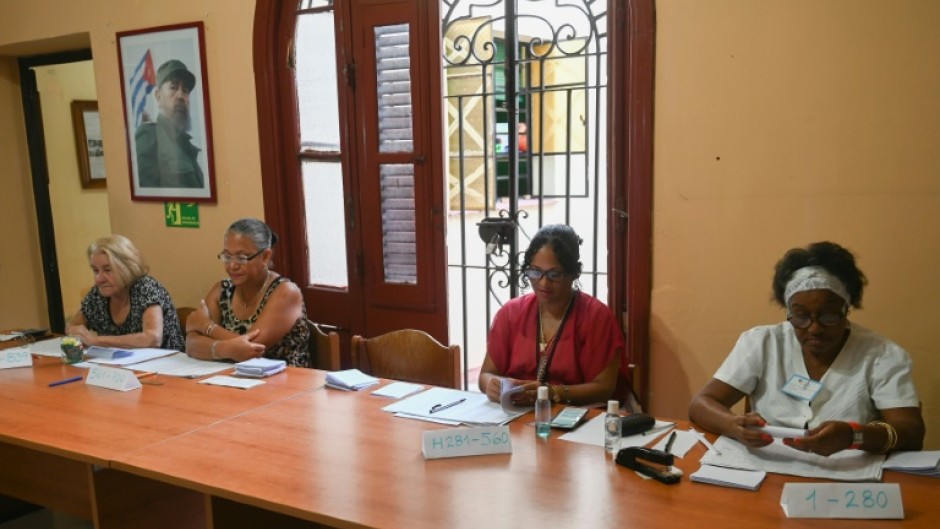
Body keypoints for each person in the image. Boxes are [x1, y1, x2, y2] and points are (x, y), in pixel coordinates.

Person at [689, 241, 925, 456]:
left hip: (848, 478)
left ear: (847, 308)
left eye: (828, 315)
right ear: (788, 311)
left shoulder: (882, 355)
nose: (814, 329)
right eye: (801, 316)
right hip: (766, 470)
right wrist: (733, 425)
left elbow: (911, 432)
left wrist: (854, 436)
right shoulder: (762, 342)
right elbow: (702, 404)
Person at [478, 224, 624, 406]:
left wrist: (551, 392)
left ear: (573, 273)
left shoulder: (596, 316)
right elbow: (485, 374)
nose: (543, 283)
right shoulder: (511, 312)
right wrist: (492, 384)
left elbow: (604, 388)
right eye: (535, 272)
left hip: (574, 415)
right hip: (516, 413)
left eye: (554, 274)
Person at [185, 218, 310, 366]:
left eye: (241, 257)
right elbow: (191, 344)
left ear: (265, 257)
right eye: (227, 256)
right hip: (230, 378)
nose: (232, 265)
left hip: (285, 382)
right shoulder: (221, 290)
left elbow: (251, 349)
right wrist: (226, 350)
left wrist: (206, 327)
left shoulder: (285, 292)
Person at [67, 235, 184, 351]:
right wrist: (76, 332)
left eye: (107, 270)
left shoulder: (147, 288)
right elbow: (73, 325)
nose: (99, 279)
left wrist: (95, 341)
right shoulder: (98, 293)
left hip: (165, 365)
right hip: (118, 365)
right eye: (95, 270)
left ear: (127, 267)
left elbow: (152, 338)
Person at [135, 59, 204, 189]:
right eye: (173, 87)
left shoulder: (187, 146)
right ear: (158, 96)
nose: (180, 95)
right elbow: (149, 203)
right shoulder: (149, 136)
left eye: (186, 90)